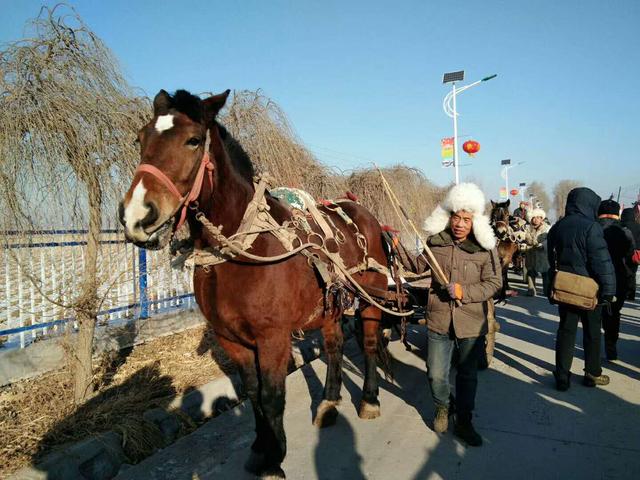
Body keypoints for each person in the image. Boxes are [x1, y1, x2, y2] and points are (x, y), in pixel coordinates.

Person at [423, 183, 502, 446]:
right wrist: (396, 247)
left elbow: (494, 283)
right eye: (456, 217)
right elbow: (416, 267)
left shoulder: (485, 248)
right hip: (439, 317)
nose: (459, 224)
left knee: (467, 375)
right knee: (436, 373)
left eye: (466, 219)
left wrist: (463, 291)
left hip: (470, 322)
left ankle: (465, 421)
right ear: (449, 216)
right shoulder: (436, 243)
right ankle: (443, 406)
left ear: (474, 221)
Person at [547, 187, 616, 391]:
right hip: (589, 290)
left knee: (566, 331)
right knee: (593, 333)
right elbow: (601, 262)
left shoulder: (558, 227)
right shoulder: (592, 227)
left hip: (565, 288)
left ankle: (561, 375)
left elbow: (552, 260)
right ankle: (592, 374)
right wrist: (608, 291)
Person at [597, 199, 635, 360]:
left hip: (596, 277)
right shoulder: (625, 231)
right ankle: (611, 345)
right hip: (619, 277)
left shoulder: (594, 229)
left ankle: (592, 349)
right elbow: (630, 254)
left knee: (594, 313)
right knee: (614, 313)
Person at [524, 207, 551, 296]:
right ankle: (531, 289)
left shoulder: (547, 228)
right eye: (533, 218)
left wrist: (543, 245)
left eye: (538, 218)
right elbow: (525, 238)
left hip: (543, 254)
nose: (535, 220)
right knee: (530, 271)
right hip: (530, 253)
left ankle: (547, 290)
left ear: (541, 219)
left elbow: (549, 239)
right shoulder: (527, 228)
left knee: (545, 272)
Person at [621, 207, 640, 301]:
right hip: (635, 254)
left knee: (622, 272)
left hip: (623, 252)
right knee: (632, 273)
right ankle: (631, 294)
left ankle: (622, 291)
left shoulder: (621, 225)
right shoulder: (638, 226)